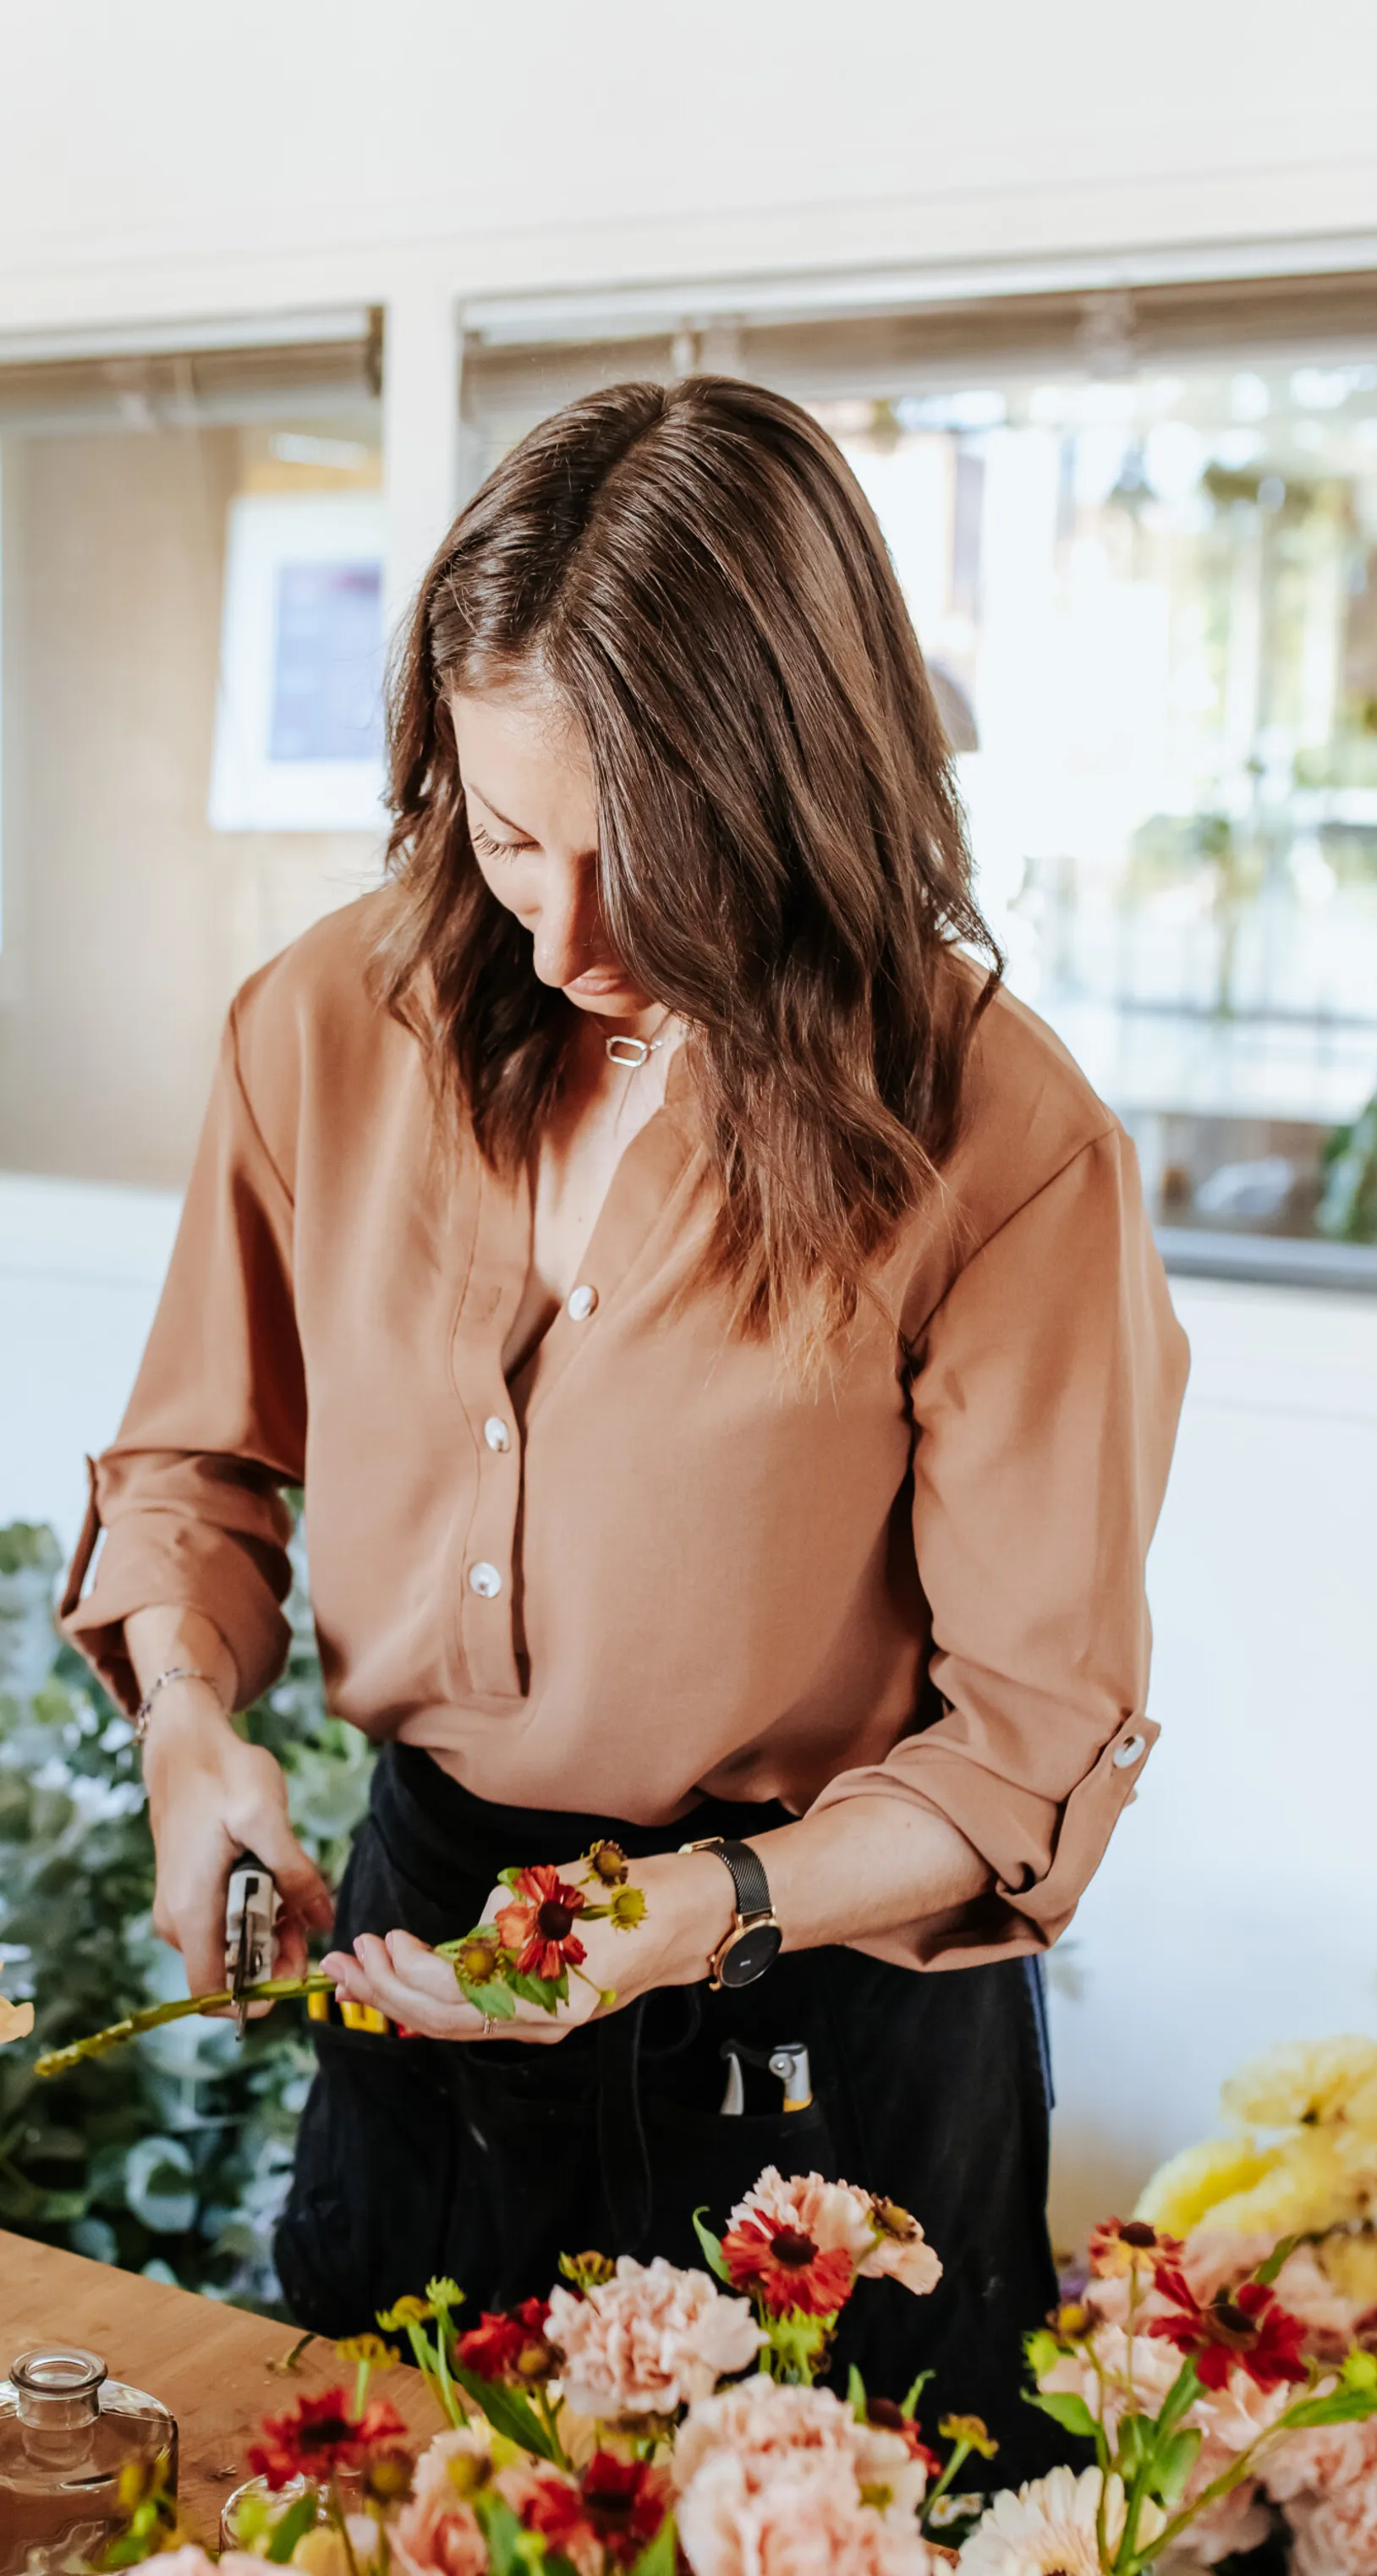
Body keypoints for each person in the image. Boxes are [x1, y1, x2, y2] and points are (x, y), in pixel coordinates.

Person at [62, 376, 1188, 2469]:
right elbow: (197, 1469)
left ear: (798, 799)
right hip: (430, 1952)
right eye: (505, 837)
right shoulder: (326, 1020)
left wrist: (710, 1912)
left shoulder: (1010, 1143)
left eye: (646, 859)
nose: (562, 933)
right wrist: (194, 1738)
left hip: (814, 2022)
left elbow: (1032, 1742)